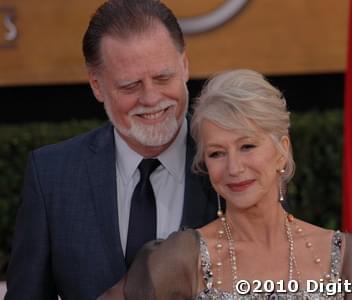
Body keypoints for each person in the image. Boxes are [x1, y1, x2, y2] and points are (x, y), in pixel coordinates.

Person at [5, 1, 218, 299]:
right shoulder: (52, 176)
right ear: (97, 86)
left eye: (162, 78)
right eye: (130, 86)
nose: (151, 98)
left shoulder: (232, 166)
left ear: (184, 66)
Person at [99, 69, 352, 300]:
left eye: (247, 146)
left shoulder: (342, 255)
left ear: (282, 150)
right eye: (217, 153)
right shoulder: (183, 257)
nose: (234, 168)